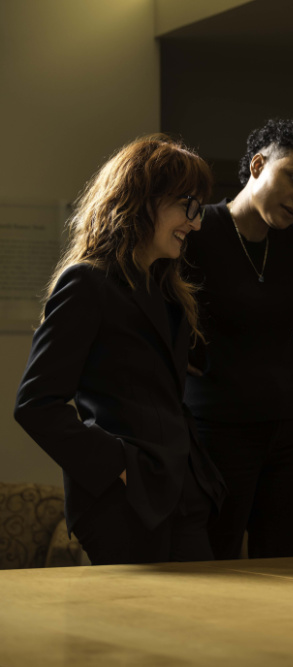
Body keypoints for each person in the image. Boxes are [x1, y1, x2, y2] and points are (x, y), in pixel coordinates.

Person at [14, 134, 226, 565]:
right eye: (187, 205)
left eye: (198, 208)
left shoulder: (168, 293)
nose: (196, 222)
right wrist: (118, 467)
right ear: (144, 200)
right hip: (124, 506)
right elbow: (35, 404)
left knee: (199, 631)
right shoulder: (87, 283)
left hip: (184, 495)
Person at [184, 118, 293, 560]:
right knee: (213, 560)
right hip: (216, 427)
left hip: (288, 426)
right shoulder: (198, 232)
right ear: (256, 165)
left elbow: (292, 315)